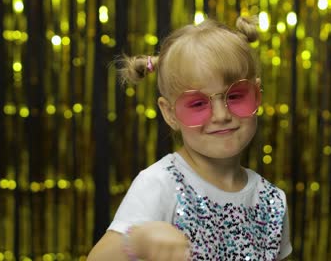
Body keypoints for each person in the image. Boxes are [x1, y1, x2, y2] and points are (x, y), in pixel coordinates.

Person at [87, 16, 292, 261]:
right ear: (170, 113)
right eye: (197, 103)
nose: (221, 115)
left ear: (257, 94)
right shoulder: (161, 184)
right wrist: (136, 241)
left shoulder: (272, 201)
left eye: (236, 95)